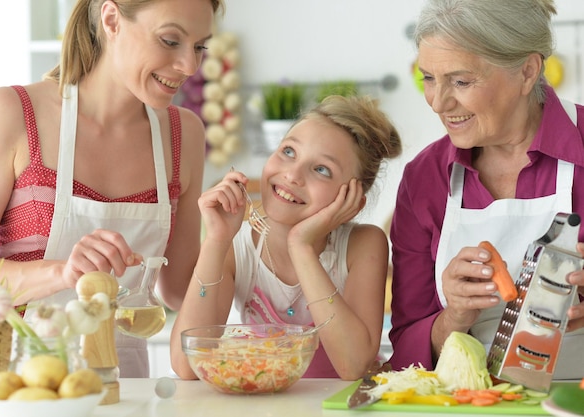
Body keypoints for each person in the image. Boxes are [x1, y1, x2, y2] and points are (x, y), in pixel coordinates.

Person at [0, 0, 224, 378]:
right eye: (170, 41)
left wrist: (220, 239)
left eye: (199, 47)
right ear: (112, 19)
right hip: (21, 388)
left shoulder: (184, 134)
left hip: (128, 391)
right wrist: (61, 274)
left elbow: (179, 291)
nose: (190, 66)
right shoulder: (13, 112)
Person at [389, 0, 584, 379]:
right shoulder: (424, 179)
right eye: (428, 78)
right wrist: (454, 316)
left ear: (528, 72)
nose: (438, 102)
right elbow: (404, 354)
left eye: (461, 81)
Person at [170, 95, 402, 380]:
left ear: (351, 200)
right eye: (289, 152)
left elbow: (353, 366)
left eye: (321, 170)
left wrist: (300, 245)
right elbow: (186, 365)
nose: (292, 174)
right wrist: (216, 240)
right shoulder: (237, 244)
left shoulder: (362, 245)